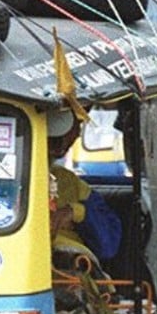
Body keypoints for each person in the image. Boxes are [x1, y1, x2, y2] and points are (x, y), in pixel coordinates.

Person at [47, 109, 122, 266]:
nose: (77, 134)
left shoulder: (71, 183)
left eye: (78, 126)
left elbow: (108, 246)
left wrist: (76, 212)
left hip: (72, 268)